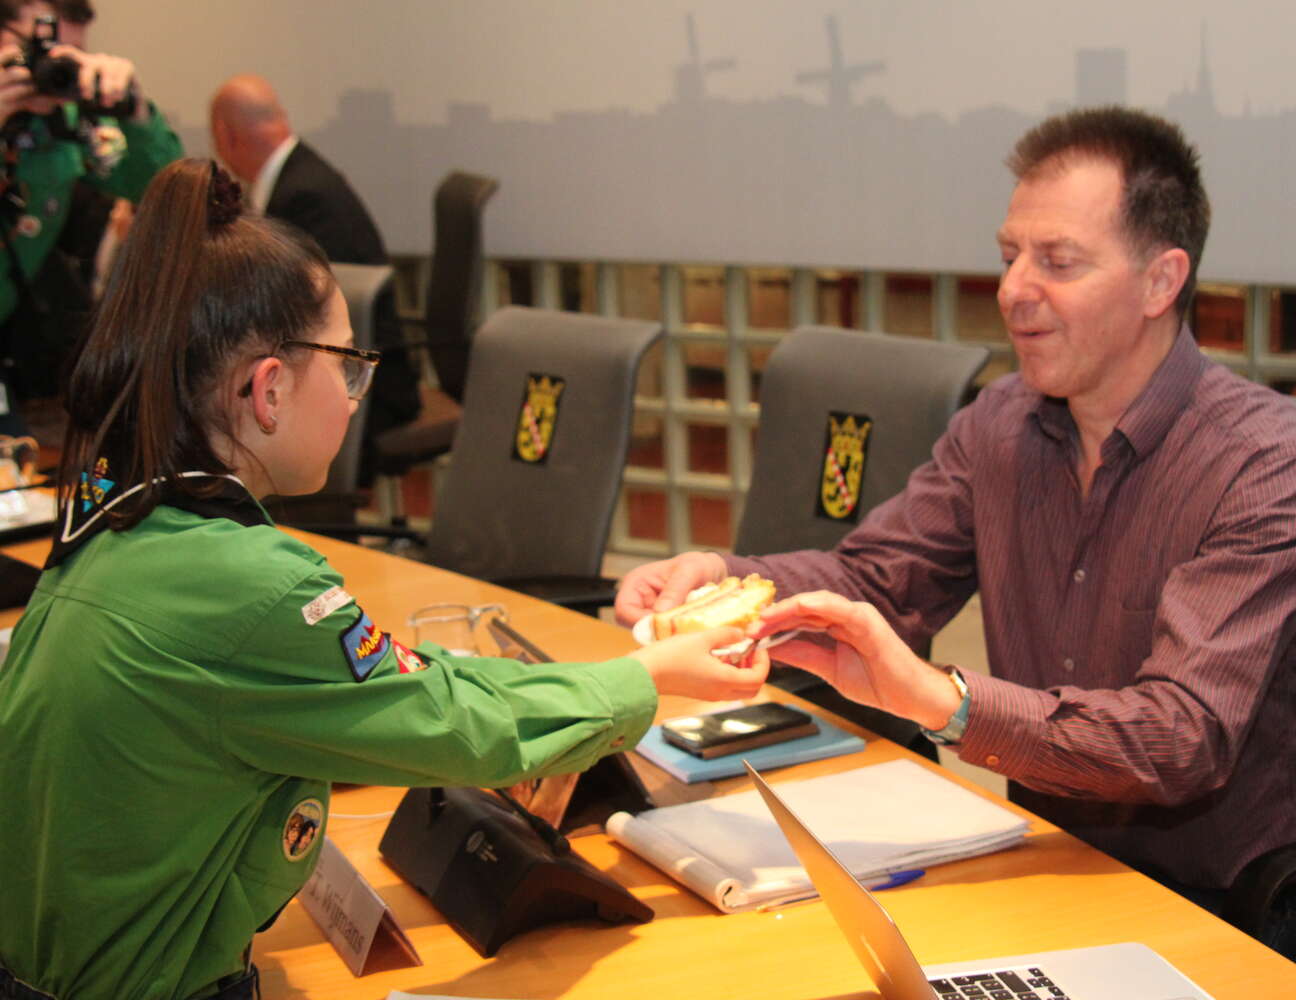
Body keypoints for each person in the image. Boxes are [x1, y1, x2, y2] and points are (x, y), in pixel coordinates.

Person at [0, 159, 770, 1000]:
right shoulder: (248, 583)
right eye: (348, 367)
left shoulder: (117, 517)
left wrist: (600, 685)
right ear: (267, 390)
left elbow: (409, 684)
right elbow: (454, 727)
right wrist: (645, 678)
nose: (358, 396)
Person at [616, 107, 1296, 940]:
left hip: (1228, 907)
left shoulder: (1265, 464)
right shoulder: (1003, 424)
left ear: (1160, 282)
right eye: (1009, 257)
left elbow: (1182, 738)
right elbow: (879, 580)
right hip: (1052, 859)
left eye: (1057, 262)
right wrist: (725, 578)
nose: (1011, 291)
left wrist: (947, 703)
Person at [209, 73, 420, 480]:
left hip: (374, 391)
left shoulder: (301, 199)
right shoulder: (302, 178)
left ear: (224, 135)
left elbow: (285, 319)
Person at [0, 0, 179, 430]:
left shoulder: (64, 126)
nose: (49, 68)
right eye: (38, 50)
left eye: (69, 56)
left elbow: (163, 191)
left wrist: (133, 109)